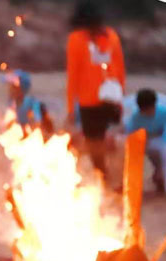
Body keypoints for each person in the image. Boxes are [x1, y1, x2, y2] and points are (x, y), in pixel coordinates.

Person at [66, 0, 125, 178]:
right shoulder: (79, 39)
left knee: (105, 141)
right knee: (95, 142)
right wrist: (70, 107)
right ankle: (104, 175)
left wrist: (120, 98)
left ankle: (110, 176)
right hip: (94, 101)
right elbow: (73, 75)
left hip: (104, 100)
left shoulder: (109, 37)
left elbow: (120, 69)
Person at [124, 89, 166, 192]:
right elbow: (130, 135)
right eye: (144, 110)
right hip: (143, 141)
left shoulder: (163, 112)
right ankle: (131, 185)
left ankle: (161, 176)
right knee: (130, 153)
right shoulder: (136, 117)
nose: (147, 113)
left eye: (150, 109)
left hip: (160, 139)